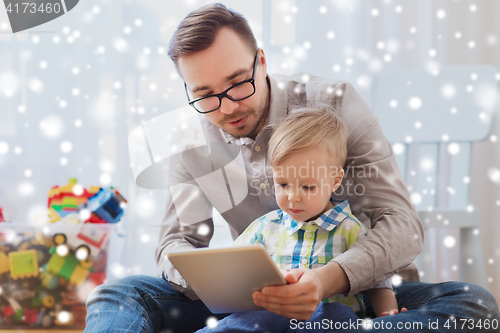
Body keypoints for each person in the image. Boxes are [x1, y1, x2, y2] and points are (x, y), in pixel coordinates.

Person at [84, 3, 500, 333]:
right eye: (206, 96)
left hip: (355, 301)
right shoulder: (189, 140)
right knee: (118, 295)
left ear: (261, 60)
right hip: (251, 308)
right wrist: (229, 284)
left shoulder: (334, 104)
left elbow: (402, 225)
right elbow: (177, 242)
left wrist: (326, 280)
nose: (227, 106)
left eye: (237, 84)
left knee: (474, 306)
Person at [196, 108, 407, 333]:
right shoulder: (265, 227)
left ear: (335, 181)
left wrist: (388, 315)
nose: (293, 197)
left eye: (307, 187)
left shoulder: (349, 229)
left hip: (325, 318)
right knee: (242, 320)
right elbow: (233, 264)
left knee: (335, 314)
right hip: (271, 317)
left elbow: (377, 282)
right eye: (283, 184)